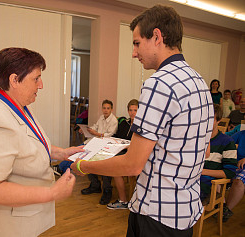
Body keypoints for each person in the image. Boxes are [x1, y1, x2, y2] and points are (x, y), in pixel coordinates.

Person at [71, 5, 214, 236]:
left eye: (137, 43)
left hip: (155, 214)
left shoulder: (159, 83)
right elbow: (204, 151)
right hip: (184, 213)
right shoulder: (200, 83)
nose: (134, 52)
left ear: (157, 36)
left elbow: (132, 165)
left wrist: (83, 166)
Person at [0, 48, 83, 237]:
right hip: (6, 227)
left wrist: (61, 153)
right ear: (14, 80)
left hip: (23, 220)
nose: (41, 85)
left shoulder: (18, 106)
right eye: (36, 78)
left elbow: (27, 145)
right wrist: (52, 193)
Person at [80, 99, 118, 205]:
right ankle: (95, 184)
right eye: (104, 108)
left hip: (107, 145)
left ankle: (107, 190)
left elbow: (109, 135)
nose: (105, 110)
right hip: (97, 142)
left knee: (105, 164)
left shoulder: (114, 120)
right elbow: (95, 127)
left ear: (112, 109)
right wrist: (87, 129)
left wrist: (96, 133)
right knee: (87, 159)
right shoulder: (101, 117)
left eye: (108, 108)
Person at [200, 104, 237, 203]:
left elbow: (230, 172)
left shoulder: (227, 141)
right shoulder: (196, 138)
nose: (205, 123)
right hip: (189, 181)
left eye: (210, 119)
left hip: (205, 184)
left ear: (219, 121)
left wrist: (200, 171)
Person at [107, 99, 138, 210]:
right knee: (108, 159)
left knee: (116, 169)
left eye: (135, 110)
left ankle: (123, 200)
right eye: (130, 110)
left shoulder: (141, 126)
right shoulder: (124, 123)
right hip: (121, 150)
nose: (132, 113)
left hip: (134, 154)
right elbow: (118, 138)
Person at [223, 128, 245, 222]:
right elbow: (226, 142)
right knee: (216, 175)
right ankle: (222, 207)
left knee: (239, 181)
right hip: (236, 164)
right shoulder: (241, 134)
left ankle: (226, 210)